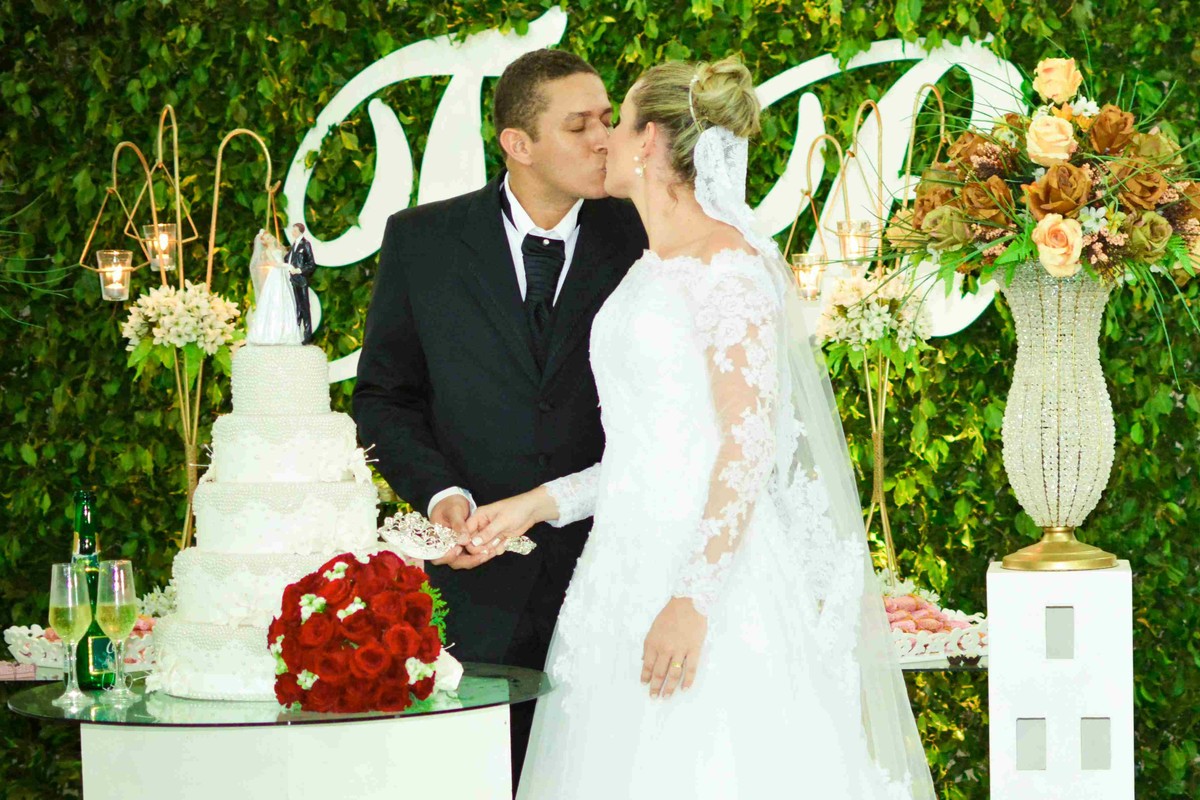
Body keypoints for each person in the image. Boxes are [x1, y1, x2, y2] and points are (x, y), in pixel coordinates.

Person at [462, 57, 937, 799]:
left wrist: (692, 600)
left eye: (615, 123)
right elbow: (650, 450)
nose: (605, 141)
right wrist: (535, 504)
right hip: (618, 578)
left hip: (707, 581)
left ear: (649, 141)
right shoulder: (650, 267)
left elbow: (748, 447)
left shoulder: (729, 268)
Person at [352, 49, 647, 788]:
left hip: (615, 574)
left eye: (609, 118)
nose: (605, 138)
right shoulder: (421, 241)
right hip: (473, 590)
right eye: (579, 125)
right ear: (517, 144)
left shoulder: (648, 236)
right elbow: (384, 398)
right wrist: (442, 498)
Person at [246, 229, 303, 345]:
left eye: (270, 236)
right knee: (275, 298)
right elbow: (274, 263)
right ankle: (271, 332)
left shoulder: (279, 249)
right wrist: (286, 266)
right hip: (276, 275)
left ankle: (287, 331)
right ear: (264, 243)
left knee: (285, 298)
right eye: (267, 238)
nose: (271, 238)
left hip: (282, 275)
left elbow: (287, 254)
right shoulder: (268, 251)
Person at [284, 222, 318, 344]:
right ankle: (296, 332)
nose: (293, 232)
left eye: (295, 230)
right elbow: (288, 258)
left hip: (301, 280)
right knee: (296, 306)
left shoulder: (306, 244)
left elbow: (311, 264)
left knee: (304, 307)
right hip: (293, 279)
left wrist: (299, 270)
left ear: (300, 231)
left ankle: (308, 335)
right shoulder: (294, 244)